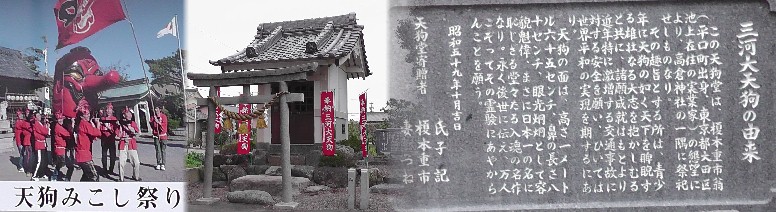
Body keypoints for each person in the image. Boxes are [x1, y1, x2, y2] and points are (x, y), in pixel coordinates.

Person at [76, 105, 101, 181]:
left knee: (86, 176)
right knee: (94, 176)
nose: (88, 115)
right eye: (86, 114)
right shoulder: (84, 123)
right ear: (81, 116)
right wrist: (98, 124)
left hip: (82, 154)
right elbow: (97, 133)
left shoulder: (83, 123)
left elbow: (89, 135)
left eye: (88, 114)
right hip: (84, 155)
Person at [117, 107, 141, 181]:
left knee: (136, 162)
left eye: (131, 113)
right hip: (123, 142)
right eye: (128, 113)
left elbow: (138, 133)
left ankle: (136, 176)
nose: (130, 115)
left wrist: (132, 130)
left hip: (131, 143)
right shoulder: (119, 123)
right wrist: (120, 129)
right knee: (121, 162)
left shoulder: (133, 123)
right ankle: (121, 178)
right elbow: (117, 135)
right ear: (124, 115)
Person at [30, 110, 50, 181]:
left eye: (39, 115)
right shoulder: (36, 124)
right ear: (35, 117)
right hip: (39, 144)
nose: (39, 117)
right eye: (38, 116)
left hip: (43, 144)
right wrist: (46, 125)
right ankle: (34, 176)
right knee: (39, 160)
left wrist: (45, 123)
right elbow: (44, 131)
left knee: (44, 160)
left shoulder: (40, 123)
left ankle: (42, 173)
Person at [99, 103, 118, 176]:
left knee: (113, 155)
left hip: (111, 138)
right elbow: (100, 129)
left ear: (112, 110)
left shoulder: (114, 119)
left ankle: (111, 169)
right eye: (107, 109)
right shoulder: (102, 119)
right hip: (104, 139)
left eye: (109, 109)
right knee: (104, 155)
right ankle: (104, 170)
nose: (108, 111)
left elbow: (116, 129)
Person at [52, 112, 71, 181]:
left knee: (60, 164)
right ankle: (56, 176)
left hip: (61, 148)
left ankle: (55, 176)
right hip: (60, 149)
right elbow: (67, 134)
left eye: (61, 119)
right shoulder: (58, 127)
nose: (61, 121)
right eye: (59, 119)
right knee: (65, 165)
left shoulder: (59, 126)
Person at [151, 106, 168, 171]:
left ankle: (163, 164)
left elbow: (164, 125)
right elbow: (152, 126)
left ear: (160, 110)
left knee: (163, 150)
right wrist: (153, 122)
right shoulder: (153, 117)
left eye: (157, 109)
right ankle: (158, 163)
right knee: (157, 150)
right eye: (155, 109)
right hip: (156, 136)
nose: (156, 110)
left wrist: (158, 122)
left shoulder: (163, 116)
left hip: (163, 135)